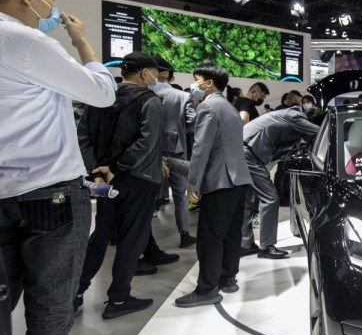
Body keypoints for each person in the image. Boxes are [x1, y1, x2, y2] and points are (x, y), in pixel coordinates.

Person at [0, 0, 116, 335]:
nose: (55, 7)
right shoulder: (28, 41)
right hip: (50, 193)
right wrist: (83, 42)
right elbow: (102, 93)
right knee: (50, 305)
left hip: (4, 194)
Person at [77, 51, 179, 319]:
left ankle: (75, 293)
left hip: (105, 180)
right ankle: (119, 298)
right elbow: (146, 142)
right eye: (155, 72)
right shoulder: (149, 100)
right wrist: (117, 167)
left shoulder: (101, 98)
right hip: (138, 179)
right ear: (144, 73)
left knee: (100, 237)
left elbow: (83, 136)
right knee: (131, 240)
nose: (157, 77)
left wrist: (98, 171)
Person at [177, 63, 253, 306]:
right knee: (231, 233)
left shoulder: (208, 107)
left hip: (219, 181)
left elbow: (200, 149)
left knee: (209, 237)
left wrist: (193, 184)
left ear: (208, 83)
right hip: (239, 179)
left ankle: (207, 289)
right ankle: (227, 278)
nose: (195, 84)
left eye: (197, 79)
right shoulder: (230, 108)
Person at [240, 104, 319, 259]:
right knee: (270, 198)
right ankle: (266, 246)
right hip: (249, 153)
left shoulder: (287, 115)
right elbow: (320, 132)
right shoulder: (296, 117)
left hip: (243, 149)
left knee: (248, 200)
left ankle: (245, 244)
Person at [150, 56, 197, 248]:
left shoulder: (144, 93)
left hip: (148, 153)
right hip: (175, 150)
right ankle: (184, 235)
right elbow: (192, 123)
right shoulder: (182, 96)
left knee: (146, 198)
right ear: (170, 75)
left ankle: (145, 244)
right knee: (180, 196)